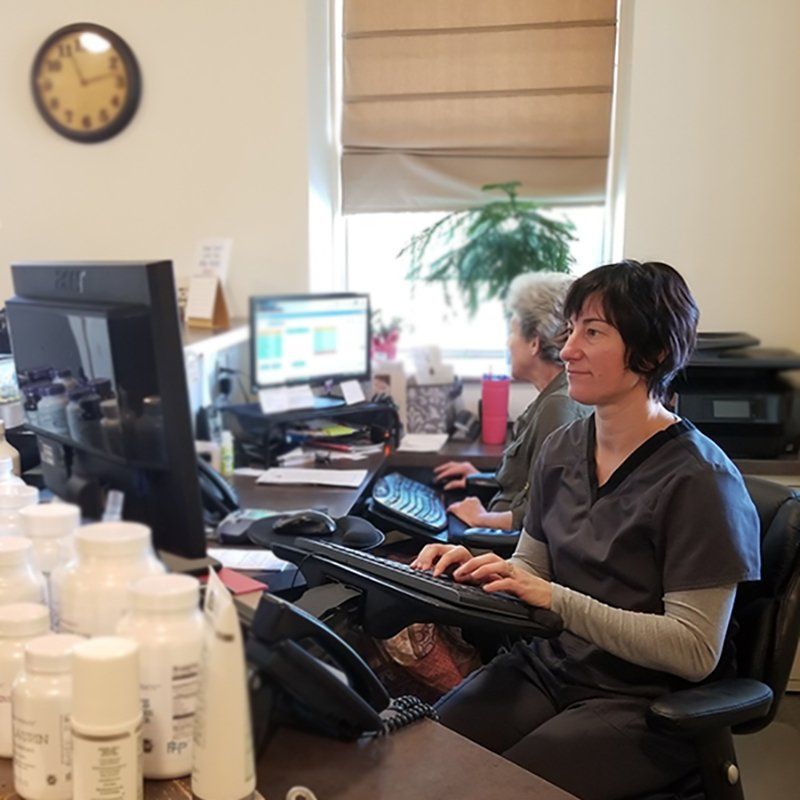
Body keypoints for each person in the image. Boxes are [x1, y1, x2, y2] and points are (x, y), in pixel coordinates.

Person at [411, 260, 761, 800]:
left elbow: (694, 649)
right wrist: (479, 571)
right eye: (571, 329)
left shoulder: (701, 481)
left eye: (592, 333)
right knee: (418, 767)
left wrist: (556, 599)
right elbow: (531, 569)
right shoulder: (562, 449)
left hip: (642, 701)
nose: (567, 349)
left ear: (653, 353)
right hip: (548, 668)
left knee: (491, 791)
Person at [435, 272, 590, 530]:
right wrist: (482, 478)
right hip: (494, 526)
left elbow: (546, 513)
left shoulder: (559, 407)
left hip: (498, 543)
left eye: (512, 332)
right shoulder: (551, 397)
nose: (508, 343)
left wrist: (482, 519)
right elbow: (528, 484)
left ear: (534, 343)